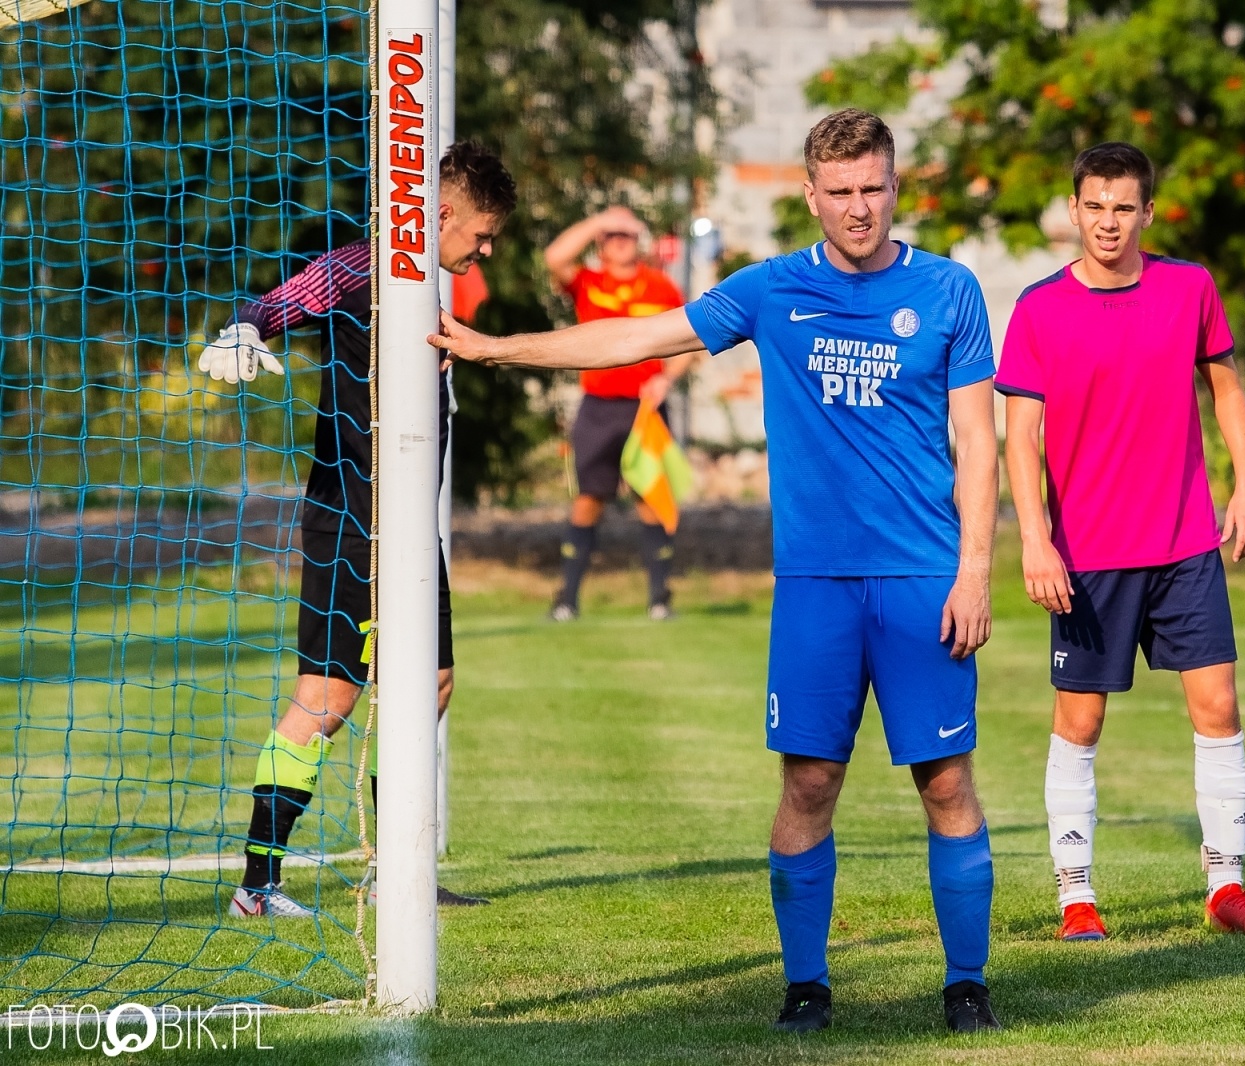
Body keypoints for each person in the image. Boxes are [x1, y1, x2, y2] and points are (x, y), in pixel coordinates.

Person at [429, 109, 1003, 1034]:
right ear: (810, 196)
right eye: (841, 191)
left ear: (896, 186)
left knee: (945, 780)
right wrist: (497, 348)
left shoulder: (950, 290)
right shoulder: (771, 291)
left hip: (923, 579)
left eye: (874, 187)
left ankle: (966, 986)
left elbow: (978, 442)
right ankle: (806, 988)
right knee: (808, 783)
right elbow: (634, 338)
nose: (859, 208)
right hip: (814, 584)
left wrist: (974, 571)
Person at [196, 140, 518, 917]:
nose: (484, 252)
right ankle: (257, 886)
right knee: (327, 697)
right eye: (481, 235)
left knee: (431, 684)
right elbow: (284, 301)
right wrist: (246, 328)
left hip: (407, 529)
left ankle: (396, 874)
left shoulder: (422, 294)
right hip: (351, 523)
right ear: (443, 212)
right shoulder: (362, 266)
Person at [997, 142, 1245, 943]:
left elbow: (1226, 390)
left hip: (1184, 542)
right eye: (1094, 206)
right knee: (1080, 722)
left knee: (1219, 706)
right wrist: (1035, 540)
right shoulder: (1038, 308)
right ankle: (1076, 896)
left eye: (1124, 207)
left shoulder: (1189, 288)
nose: (1108, 222)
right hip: (1085, 553)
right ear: (1073, 210)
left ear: (1148, 213)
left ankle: (1227, 887)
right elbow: (1020, 438)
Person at [543, 206, 698, 621]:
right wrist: (600, 220)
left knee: (651, 497)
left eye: (626, 235)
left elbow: (691, 338)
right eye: (612, 236)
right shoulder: (590, 282)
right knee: (589, 498)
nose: (620, 241)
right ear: (601, 245)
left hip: (645, 409)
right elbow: (554, 258)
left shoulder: (660, 286)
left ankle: (660, 599)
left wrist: (666, 378)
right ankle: (567, 599)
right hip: (598, 407)